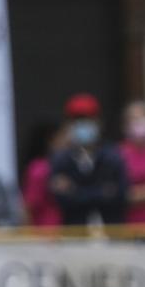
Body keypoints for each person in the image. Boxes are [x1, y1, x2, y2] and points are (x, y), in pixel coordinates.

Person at [48, 93, 127, 226]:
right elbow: (60, 199)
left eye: (88, 120)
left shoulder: (113, 156)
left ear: (98, 122)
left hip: (112, 231)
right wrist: (102, 191)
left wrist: (75, 191)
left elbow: (120, 194)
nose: (83, 125)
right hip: (75, 232)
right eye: (78, 120)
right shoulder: (60, 159)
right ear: (69, 124)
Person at [21, 120, 68, 228]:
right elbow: (28, 208)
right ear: (51, 140)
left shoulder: (69, 165)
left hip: (68, 235)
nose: (68, 141)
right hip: (45, 236)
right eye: (63, 136)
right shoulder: (39, 169)